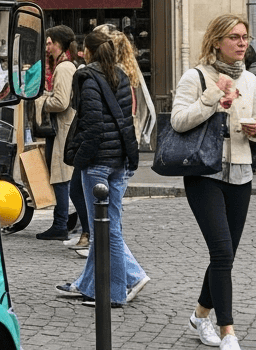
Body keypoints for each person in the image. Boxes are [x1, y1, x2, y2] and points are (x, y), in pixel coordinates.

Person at [171, 14, 256, 350]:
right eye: (234, 37)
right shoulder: (196, 76)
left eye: (245, 37)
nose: (242, 43)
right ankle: (228, 331)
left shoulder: (251, 80)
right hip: (204, 173)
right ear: (216, 42)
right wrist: (213, 96)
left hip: (241, 172)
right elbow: (178, 121)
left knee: (225, 256)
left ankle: (200, 315)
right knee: (222, 251)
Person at [55, 26, 148, 306]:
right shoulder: (121, 75)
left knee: (106, 231)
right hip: (119, 160)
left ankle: (113, 294)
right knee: (108, 227)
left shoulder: (87, 77)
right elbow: (124, 119)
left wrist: (81, 159)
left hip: (98, 163)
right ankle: (89, 285)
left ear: (88, 51)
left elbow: (93, 125)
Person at [36, 26, 85, 241]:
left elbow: (61, 102)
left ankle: (61, 224)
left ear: (59, 44)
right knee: (62, 177)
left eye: (50, 43)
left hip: (63, 129)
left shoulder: (64, 68)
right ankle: (66, 222)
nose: (47, 47)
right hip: (63, 128)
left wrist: (41, 101)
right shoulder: (65, 65)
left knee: (61, 178)